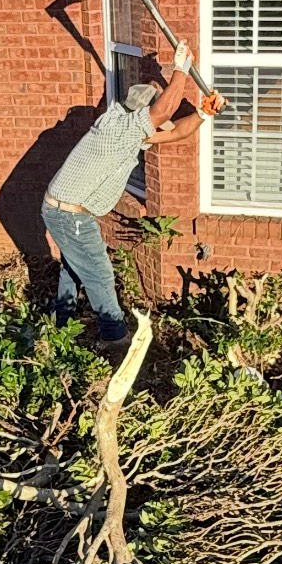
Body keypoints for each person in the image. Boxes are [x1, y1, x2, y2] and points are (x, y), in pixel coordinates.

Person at [43, 42, 211, 349]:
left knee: (74, 267)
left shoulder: (126, 128)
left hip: (62, 210)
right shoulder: (119, 128)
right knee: (100, 274)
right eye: (152, 115)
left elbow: (174, 132)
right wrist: (181, 69)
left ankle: (60, 327)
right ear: (141, 114)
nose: (157, 122)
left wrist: (203, 113)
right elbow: (165, 112)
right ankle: (115, 338)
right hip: (69, 214)